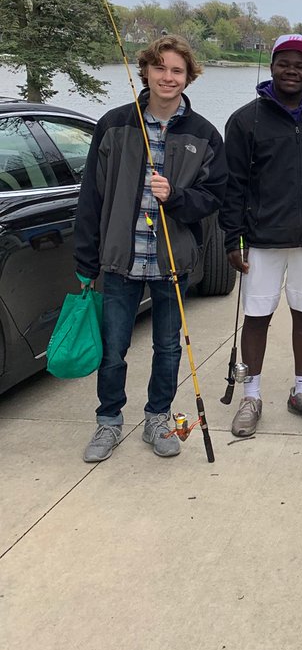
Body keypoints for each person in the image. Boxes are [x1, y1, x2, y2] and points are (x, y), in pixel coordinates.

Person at [75, 35, 227, 463]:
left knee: (168, 347)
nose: (168, 77)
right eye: (160, 68)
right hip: (121, 260)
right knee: (113, 347)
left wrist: (176, 196)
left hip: (171, 263)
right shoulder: (114, 125)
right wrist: (86, 260)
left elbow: (214, 196)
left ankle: (157, 419)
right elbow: (92, 197)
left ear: (188, 78)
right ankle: (109, 421)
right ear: (145, 70)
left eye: (177, 70)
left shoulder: (204, 134)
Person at [220, 34, 302, 437]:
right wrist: (232, 238)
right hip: (261, 240)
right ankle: (251, 396)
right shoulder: (244, 119)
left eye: (301, 65)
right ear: (271, 66)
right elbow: (231, 184)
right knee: (257, 318)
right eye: (285, 63)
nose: (292, 71)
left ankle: (301, 391)